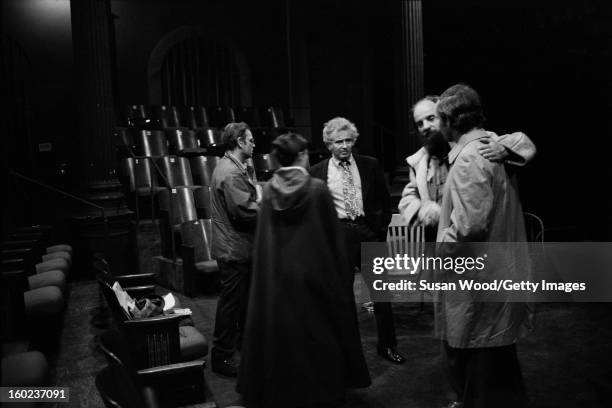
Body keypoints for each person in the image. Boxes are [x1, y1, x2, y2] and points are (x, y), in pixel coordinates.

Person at [237, 133, 370, 408]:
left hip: (279, 282)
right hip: (313, 280)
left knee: (285, 341)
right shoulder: (317, 188)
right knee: (317, 340)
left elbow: (264, 243)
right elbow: (332, 239)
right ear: (301, 156)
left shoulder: (270, 189)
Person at [435, 84, 533, 408]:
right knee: (495, 363)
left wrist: (440, 250)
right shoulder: (489, 146)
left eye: (437, 119)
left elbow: (469, 226)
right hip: (496, 273)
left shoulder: (469, 159)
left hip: (478, 279)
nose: (435, 127)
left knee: (482, 367)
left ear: (449, 120)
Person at [310, 117, 405, 364]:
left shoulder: (370, 165)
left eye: (348, 140)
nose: (344, 145)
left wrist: (379, 230)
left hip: (368, 230)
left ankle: (387, 345)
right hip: (339, 235)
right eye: (339, 141)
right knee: (342, 297)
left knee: (381, 296)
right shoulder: (317, 172)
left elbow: (385, 203)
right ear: (329, 144)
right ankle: (348, 351)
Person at [399, 95, 536, 238]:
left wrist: (504, 149)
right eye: (420, 124)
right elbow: (407, 198)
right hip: (440, 242)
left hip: (478, 240)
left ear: (445, 118)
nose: (425, 127)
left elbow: (523, 143)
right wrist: (424, 209)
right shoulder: (420, 162)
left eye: (431, 118)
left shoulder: (475, 143)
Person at [210, 122, 260, 377]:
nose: (254, 143)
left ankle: (241, 347)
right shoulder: (230, 172)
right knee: (231, 305)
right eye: (250, 140)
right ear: (239, 142)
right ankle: (221, 357)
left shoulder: (236, 166)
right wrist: (270, 208)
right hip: (234, 249)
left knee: (240, 304)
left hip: (237, 247)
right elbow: (244, 213)